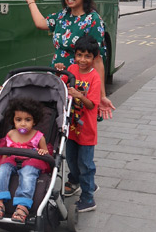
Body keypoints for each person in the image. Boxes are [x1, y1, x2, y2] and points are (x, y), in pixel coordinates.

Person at [26, 0, 116, 119]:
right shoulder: (63, 15)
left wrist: (101, 96)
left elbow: (97, 60)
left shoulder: (92, 20)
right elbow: (41, 23)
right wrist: (31, 3)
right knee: (54, 123)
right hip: (57, 78)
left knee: (76, 124)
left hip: (78, 83)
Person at [56, 35, 101, 212]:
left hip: (86, 130)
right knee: (71, 159)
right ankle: (76, 181)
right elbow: (61, 85)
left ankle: (88, 198)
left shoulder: (95, 77)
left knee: (85, 164)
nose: (82, 60)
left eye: (87, 56)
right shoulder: (72, 69)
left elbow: (92, 105)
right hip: (71, 127)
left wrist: (79, 96)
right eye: (79, 55)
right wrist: (59, 72)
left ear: (94, 58)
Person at [0, 97, 50, 224]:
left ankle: (22, 206)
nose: (23, 124)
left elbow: (46, 153)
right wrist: (2, 163)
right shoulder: (11, 134)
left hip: (31, 161)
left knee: (28, 174)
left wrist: (43, 152)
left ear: (34, 121)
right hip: (12, 159)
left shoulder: (39, 137)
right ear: (13, 120)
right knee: (1, 170)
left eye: (27, 120)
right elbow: (5, 152)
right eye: (18, 120)